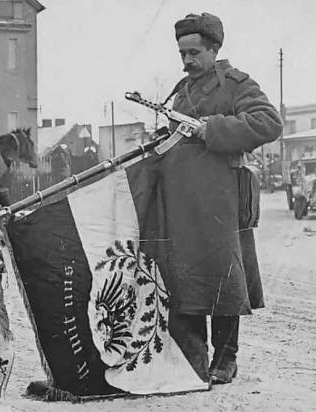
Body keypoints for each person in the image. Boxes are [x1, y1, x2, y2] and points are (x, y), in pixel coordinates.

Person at [159, 12, 282, 385]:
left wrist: (210, 128)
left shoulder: (236, 85)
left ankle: (225, 359)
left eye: (194, 53)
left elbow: (268, 122)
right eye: (182, 53)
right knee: (188, 279)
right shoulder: (181, 90)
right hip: (183, 202)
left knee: (226, 280)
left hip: (222, 203)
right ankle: (193, 356)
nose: (187, 61)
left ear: (214, 49)